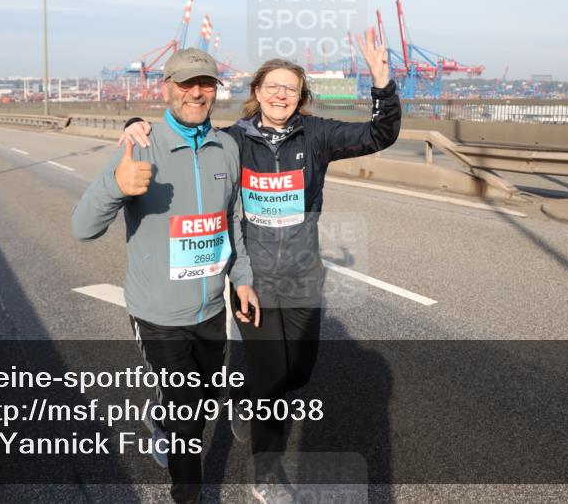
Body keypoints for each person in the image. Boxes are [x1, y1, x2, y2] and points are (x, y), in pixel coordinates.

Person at [119, 29, 400, 502]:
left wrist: (381, 83)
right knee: (272, 377)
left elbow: (379, 133)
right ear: (256, 93)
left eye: (290, 88)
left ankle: (245, 398)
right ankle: (265, 474)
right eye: (272, 86)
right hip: (254, 278)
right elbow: (185, 131)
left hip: (303, 276)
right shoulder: (234, 140)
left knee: (298, 373)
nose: (281, 94)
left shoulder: (319, 135)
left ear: (301, 97)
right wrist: (132, 122)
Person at [72, 48, 261, 504]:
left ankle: (159, 413)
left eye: (206, 84)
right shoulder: (140, 144)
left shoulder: (227, 147)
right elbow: (83, 228)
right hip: (156, 312)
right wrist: (116, 186)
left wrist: (242, 278)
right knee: (187, 415)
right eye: (185, 84)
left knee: (203, 395)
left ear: (216, 89)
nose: (196, 93)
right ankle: (187, 494)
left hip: (211, 308)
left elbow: (230, 221)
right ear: (167, 88)